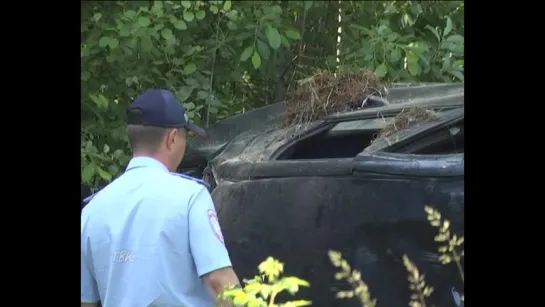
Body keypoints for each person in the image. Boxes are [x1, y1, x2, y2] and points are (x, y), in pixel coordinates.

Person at [81, 89, 240, 307]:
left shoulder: (91, 211)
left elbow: (86, 301)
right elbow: (219, 281)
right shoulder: (190, 197)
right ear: (172, 138)